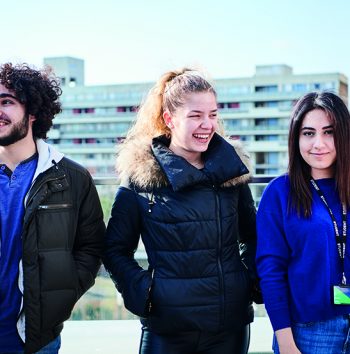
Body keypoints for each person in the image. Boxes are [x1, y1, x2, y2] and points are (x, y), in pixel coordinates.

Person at [103, 68, 260, 354]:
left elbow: (254, 237)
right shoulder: (140, 178)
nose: (207, 124)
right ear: (169, 120)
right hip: (166, 328)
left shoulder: (232, 172)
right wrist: (144, 291)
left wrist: (247, 282)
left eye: (212, 114)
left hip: (229, 326)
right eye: (195, 116)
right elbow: (114, 249)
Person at [0, 63, 105, 354]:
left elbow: (92, 247)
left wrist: (61, 295)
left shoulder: (71, 177)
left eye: (7, 102)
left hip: (35, 341)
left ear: (32, 112)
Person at [256, 91, 350, 354]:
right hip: (308, 333)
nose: (318, 143)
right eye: (308, 133)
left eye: (328, 132)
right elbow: (271, 271)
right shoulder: (279, 193)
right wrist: (286, 343)